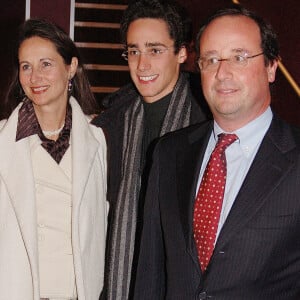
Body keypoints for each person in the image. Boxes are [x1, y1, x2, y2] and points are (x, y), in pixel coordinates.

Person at [134, 6, 300, 300]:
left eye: (239, 57)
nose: (222, 73)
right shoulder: (168, 153)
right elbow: (150, 272)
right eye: (211, 60)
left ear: (271, 67)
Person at [92, 0, 208, 298]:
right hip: (121, 282)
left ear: (182, 52)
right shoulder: (111, 125)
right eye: (134, 51)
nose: (142, 65)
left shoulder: (207, 122)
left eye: (155, 50)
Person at [0, 19, 108, 299]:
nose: (35, 77)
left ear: (71, 67)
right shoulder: (2, 138)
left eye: (46, 64)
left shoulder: (98, 140)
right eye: (26, 67)